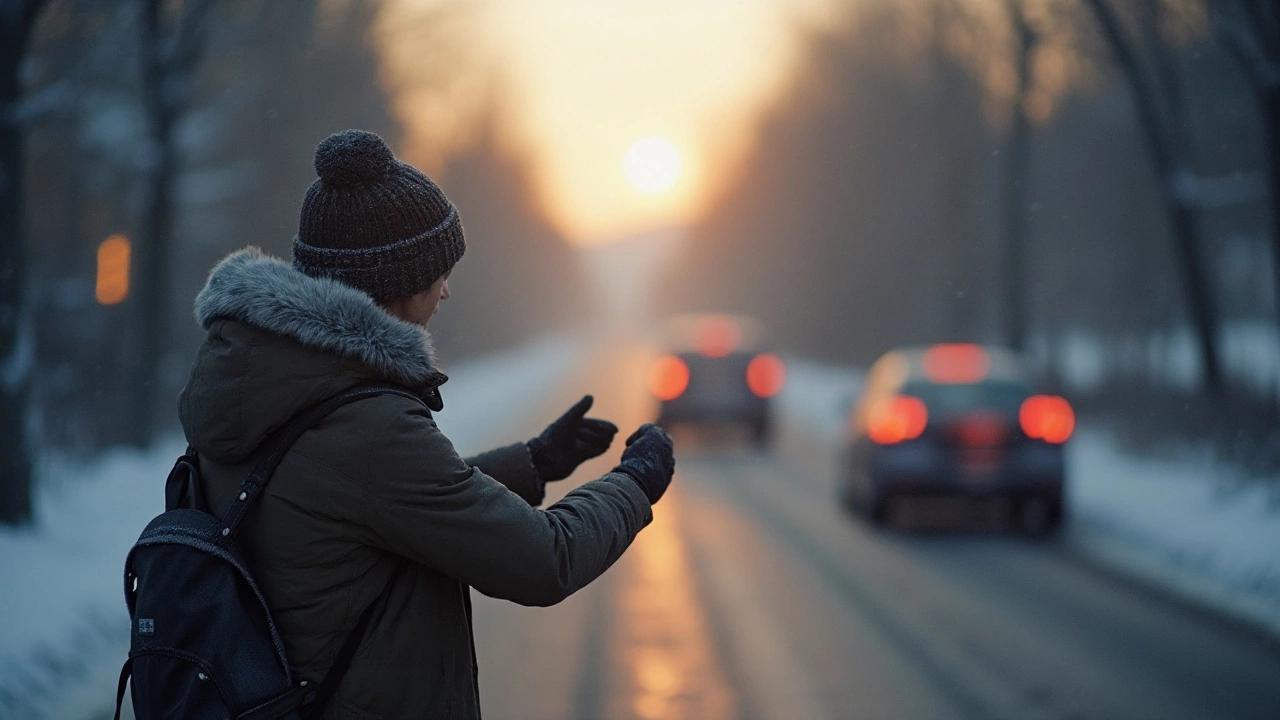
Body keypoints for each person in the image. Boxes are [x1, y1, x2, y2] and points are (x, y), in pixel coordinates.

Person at [178, 129, 675, 719]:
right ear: (395, 280)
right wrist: (634, 483)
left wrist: (533, 463)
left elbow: (370, 504)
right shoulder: (365, 424)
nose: (447, 290)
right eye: (439, 269)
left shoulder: (269, 385)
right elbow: (543, 561)